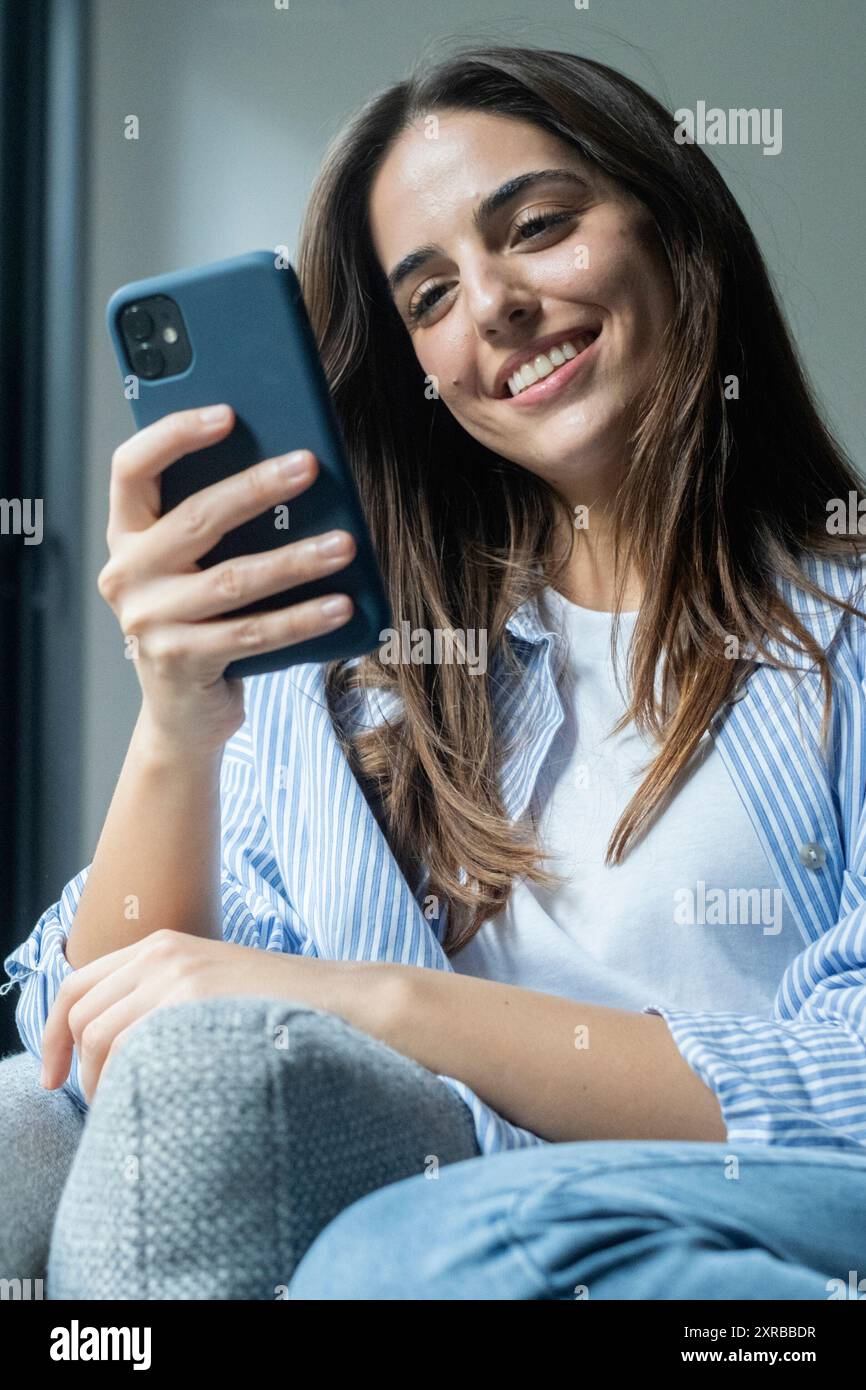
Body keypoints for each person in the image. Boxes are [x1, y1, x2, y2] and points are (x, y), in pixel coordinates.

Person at [5, 43, 866, 1300]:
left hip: (729, 1237)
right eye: (428, 298)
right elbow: (84, 1049)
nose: (493, 305)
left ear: (672, 226)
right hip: (437, 1250)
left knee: (408, 1245)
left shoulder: (840, 631)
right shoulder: (360, 686)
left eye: (536, 227)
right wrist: (178, 726)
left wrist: (386, 1004)